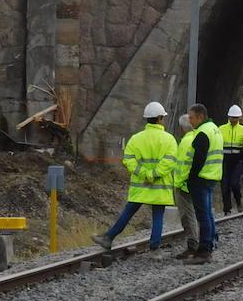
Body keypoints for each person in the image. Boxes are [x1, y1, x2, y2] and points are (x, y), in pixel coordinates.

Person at [93, 102, 179, 251]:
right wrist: (154, 174)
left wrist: (144, 173)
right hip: (160, 187)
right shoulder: (169, 139)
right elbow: (169, 162)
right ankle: (154, 248)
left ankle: (108, 238)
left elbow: (128, 160)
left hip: (141, 186)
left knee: (128, 212)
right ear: (159, 118)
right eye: (163, 117)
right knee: (158, 216)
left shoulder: (136, 139)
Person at [180, 103, 223, 264]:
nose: (189, 121)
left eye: (191, 117)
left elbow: (198, 159)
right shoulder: (215, 129)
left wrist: (191, 179)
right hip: (212, 177)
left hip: (201, 178)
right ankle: (209, 246)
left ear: (200, 116)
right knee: (208, 215)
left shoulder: (202, 133)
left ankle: (204, 251)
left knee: (203, 216)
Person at [172, 115, 200, 258]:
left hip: (184, 185)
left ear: (182, 128)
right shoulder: (198, 137)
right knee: (198, 214)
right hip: (197, 184)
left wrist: (178, 183)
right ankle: (204, 241)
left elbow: (183, 165)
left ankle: (193, 245)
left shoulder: (185, 142)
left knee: (187, 216)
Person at [219, 104, 243, 214]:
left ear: (239, 118)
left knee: (234, 184)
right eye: (232, 117)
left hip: (237, 161)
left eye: (236, 118)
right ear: (228, 117)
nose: (234, 120)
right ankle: (227, 209)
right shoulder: (221, 129)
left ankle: (238, 201)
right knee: (225, 186)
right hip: (224, 161)